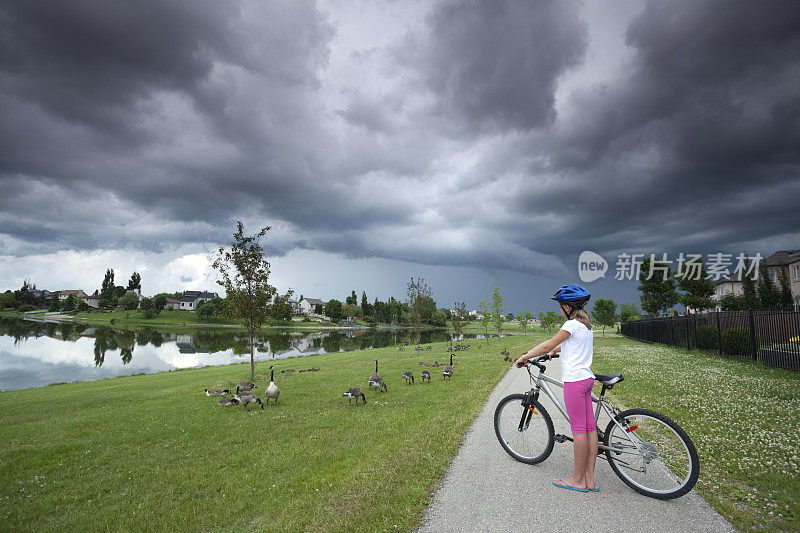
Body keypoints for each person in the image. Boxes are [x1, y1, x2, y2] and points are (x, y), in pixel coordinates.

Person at [515, 284, 598, 492]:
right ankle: (589, 478)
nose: (559, 310)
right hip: (587, 380)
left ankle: (577, 479)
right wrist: (556, 350)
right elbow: (571, 343)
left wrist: (525, 357)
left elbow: (547, 343)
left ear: (568, 307)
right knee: (590, 429)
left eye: (560, 306)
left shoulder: (570, 325)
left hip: (575, 383)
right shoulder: (585, 326)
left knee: (579, 430)